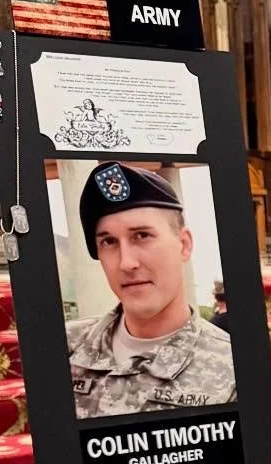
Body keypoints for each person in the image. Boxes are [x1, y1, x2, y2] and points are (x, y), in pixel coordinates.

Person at [67, 162, 234, 419]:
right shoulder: (64, 349)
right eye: (108, 242)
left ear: (183, 244)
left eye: (141, 236)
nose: (126, 263)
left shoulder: (232, 366)